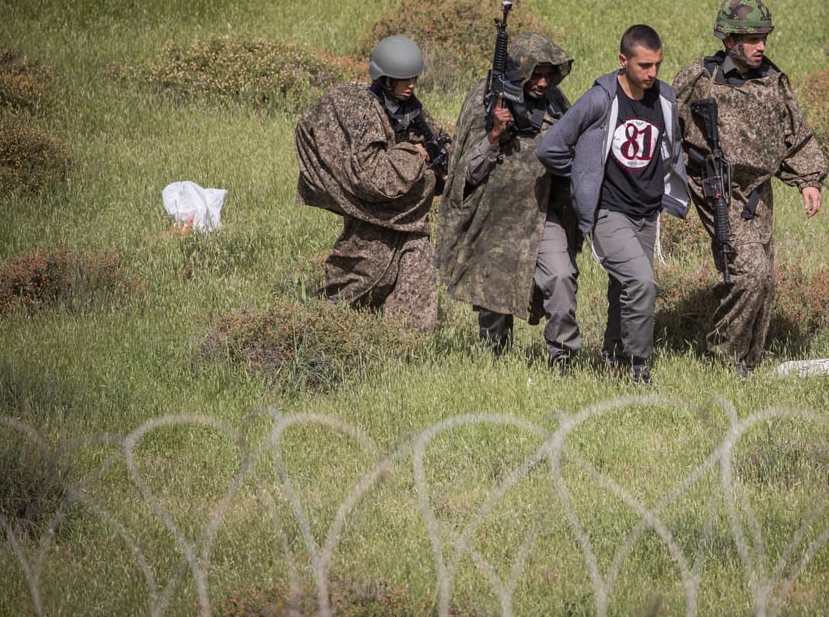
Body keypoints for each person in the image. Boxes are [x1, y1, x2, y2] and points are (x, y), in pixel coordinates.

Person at [672, 0, 828, 376]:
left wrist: (808, 180)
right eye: (753, 39)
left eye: (764, 38)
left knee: (765, 280)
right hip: (716, 187)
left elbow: (797, 132)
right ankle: (722, 361)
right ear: (729, 41)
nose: (761, 47)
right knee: (748, 272)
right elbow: (662, 124)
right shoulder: (699, 79)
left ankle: (748, 363)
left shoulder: (774, 80)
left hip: (758, 190)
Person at [537, 24, 690, 384]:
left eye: (657, 65)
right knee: (642, 283)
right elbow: (551, 147)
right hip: (609, 213)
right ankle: (639, 367)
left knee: (624, 288)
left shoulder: (665, 98)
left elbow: (673, 148)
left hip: (647, 213)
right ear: (623, 61)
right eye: (644, 66)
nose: (652, 73)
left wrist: (670, 192)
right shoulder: (599, 99)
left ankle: (615, 357)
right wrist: (581, 178)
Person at [436, 32, 581, 369]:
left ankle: (563, 362)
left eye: (549, 74)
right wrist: (494, 137)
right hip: (495, 215)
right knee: (492, 298)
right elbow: (467, 174)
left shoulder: (558, 103)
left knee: (560, 278)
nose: (543, 82)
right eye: (536, 74)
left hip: (543, 214)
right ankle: (494, 363)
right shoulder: (484, 101)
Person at [295, 35, 448, 333]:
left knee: (418, 287)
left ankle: (406, 355)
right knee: (355, 285)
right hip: (373, 218)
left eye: (414, 78)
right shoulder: (362, 110)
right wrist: (415, 156)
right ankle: (315, 333)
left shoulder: (412, 110)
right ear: (384, 79)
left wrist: (441, 166)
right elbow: (375, 178)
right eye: (403, 79)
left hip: (410, 222)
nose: (411, 85)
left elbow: (438, 144)